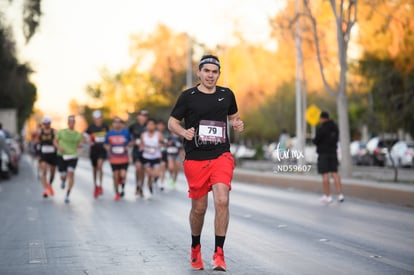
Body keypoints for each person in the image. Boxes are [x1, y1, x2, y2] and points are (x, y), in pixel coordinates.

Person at [168, 54, 244, 271]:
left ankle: (219, 254)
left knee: (222, 200)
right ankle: (195, 248)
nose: (211, 75)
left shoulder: (226, 94)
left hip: (221, 155)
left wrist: (238, 124)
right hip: (196, 158)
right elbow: (171, 122)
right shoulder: (188, 96)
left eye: (215, 72)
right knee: (199, 208)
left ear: (219, 74)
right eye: (207, 71)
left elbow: (234, 117)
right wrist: (184, 131)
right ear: (199, 72)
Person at [312, 111, 344, 204]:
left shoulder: (322, 128)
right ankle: (340, 195)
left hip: (323, 154)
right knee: (335, 173)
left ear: (322, 118)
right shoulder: (335, 127)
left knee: (325, 174)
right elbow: (336, 139)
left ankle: (328, 196)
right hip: (333, 153)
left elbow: (316, 140)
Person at [54, 115, 83, 203]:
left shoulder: (77, 134)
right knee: (63, 176)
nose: (71, 124)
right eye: (70, 122)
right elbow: (55, 141)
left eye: (73, 122)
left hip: (72, 156)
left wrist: (80, 145)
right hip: (62, 156)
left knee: (71, 173)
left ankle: (67, 194)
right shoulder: (61, 132)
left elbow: (80, 144)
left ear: (74, 123)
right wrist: (59, 147)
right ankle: (63, 180)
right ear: (68, 123)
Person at [105, 117, 132, 201]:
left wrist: (128, 146)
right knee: (115, 176)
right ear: (113, 124)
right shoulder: (109, 133)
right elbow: (105, 144)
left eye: (118, 122)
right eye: (115, 122)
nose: (117, 124)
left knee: (123, 175)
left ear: (121, 124)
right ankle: (117, 192)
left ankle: (122, 187)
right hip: (113, 159)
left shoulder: (126, 132)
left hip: (124, 158)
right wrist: (107, 148)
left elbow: (131, 142)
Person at [85, 110, 109, 198]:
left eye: (99, 118)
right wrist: (89, 141)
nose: (98, 120)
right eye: (96, 118)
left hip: (102, 150)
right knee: (95, 169)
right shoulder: (91, 127)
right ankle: (95, 185)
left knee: (100, 166)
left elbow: (108, 137)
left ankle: (100, 185)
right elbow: (85, 136)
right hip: (94, 151)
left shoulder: (105, 127)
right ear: (94, 119)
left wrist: (108, 145)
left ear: (101, 118)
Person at [140, 118, 164, 196]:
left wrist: (160, 145)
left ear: (155, 126)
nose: (150, 126)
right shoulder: (143, 135)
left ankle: (154, 181)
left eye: (152, 125)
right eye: (149, 125)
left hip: (156, 157)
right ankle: (150, 188)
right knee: (149, 174)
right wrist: (142, 147)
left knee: (156, 174)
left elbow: (163, 144)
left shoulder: (159, 134)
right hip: (146, 157)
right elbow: (141, 145)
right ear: (146, 126)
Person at [36, 117, 58, 198]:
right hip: (43, 153)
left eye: (47, 123)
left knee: (52, 172)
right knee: (44, 170)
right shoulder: (40, 132)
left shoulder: (54, 132)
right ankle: (45, 189)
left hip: (52, 154)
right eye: (44, 124)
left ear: (50, 123)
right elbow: (37, 141)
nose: (46, 125)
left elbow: (57, 140)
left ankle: (49, 184)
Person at [128, 110, 148, 197]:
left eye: (144, 116)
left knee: (143, 170)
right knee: (138, 168)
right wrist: (131, 142)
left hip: (146, 151)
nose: (142, 117)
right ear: (138, 116)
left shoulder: (149, 126)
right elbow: (127, 138)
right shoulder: (133, 126)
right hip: (136, 150)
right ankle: (137, 185)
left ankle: (141, 187)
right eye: (140, 115)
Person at [156, 119, 168, 191]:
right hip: (154, 153)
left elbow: (169, 142)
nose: (160, 126)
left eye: (162, 125)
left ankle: (162, 182)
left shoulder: (167, 133)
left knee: (163, 166)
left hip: (163, 152)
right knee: (156, 168)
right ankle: (156, 178)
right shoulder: (154, 133)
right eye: (159, 125)